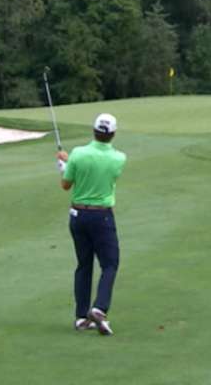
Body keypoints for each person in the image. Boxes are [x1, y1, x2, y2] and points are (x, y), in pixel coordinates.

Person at [57, 113, 127, 336]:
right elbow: (98, 173)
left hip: (78, 216)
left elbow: (66, 184)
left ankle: (80, 318)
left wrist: (64, 165)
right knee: (110, 264)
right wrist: (70, 165)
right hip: (102, 217)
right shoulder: (119, 158)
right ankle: (99, 308)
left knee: (84, 265)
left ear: (94, 131)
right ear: (113, 134)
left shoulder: (77, 154)